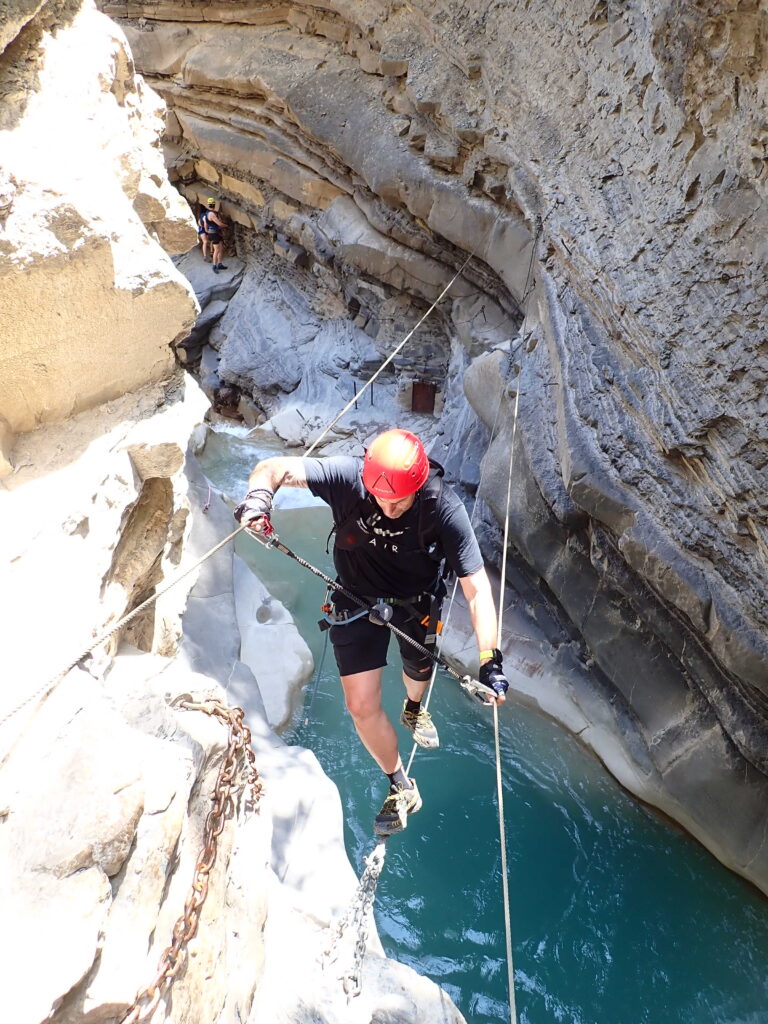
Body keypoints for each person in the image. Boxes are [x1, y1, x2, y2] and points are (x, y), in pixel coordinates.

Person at [234, 429, 509, 836]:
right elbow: (271, 468)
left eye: (399, 499)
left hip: (416, 603)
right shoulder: (349, 477)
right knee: (361, 706)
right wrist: (259, 499)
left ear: (417, 486)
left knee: (419, 673)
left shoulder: (443, 508)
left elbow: (476, 589)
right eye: (381, 496)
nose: (389, 505)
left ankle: (414, 709)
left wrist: (490, 660)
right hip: (355, 600)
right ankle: (401, 784)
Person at [197, 198, 228, 273]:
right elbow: (219, 224)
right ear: (214, 205)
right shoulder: (212, 214)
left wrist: (207, 231)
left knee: (221, 249)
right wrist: (226, 225)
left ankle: (219, 264)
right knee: (217, 250)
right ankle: (214, 266)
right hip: (214, 234)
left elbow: (205, 224)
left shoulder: (207, 213)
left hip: (213, 233)